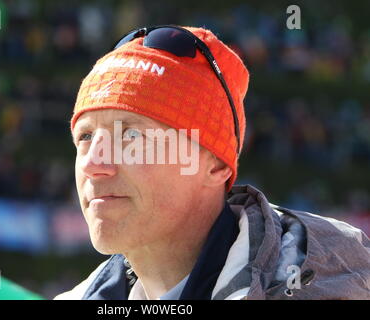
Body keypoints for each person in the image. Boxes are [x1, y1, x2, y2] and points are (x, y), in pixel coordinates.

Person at [55, 25, 370, 300]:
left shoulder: (334, 287)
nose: (93, 163)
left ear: (216, 164)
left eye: (131, 136)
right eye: (84, 137)